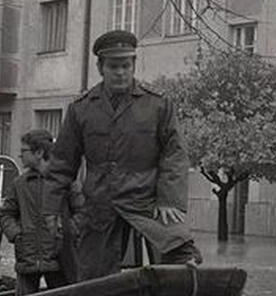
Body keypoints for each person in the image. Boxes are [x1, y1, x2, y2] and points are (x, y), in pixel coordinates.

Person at [49, 29, 201, 280]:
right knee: (92, 279)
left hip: (147, 202)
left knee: (181, 256)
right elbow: (62, 164)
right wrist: (50, 211)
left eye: (126, 65)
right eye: (113, 66)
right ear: (100, 67)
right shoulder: (82, 109)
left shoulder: (158, 104)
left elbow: (174, 154)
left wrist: (169, 200)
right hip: (99, 205)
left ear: (134, 65)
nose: (120, 72)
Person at [0, 129, 75, 296]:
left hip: (59, 259)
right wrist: (17, 235)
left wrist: (64, 234)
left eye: (24, 151)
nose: (20, 156)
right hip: (27, 258)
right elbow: (6, 214)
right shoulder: (19, 184)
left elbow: (81, 213)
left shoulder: (63, 182)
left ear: (39, 152)